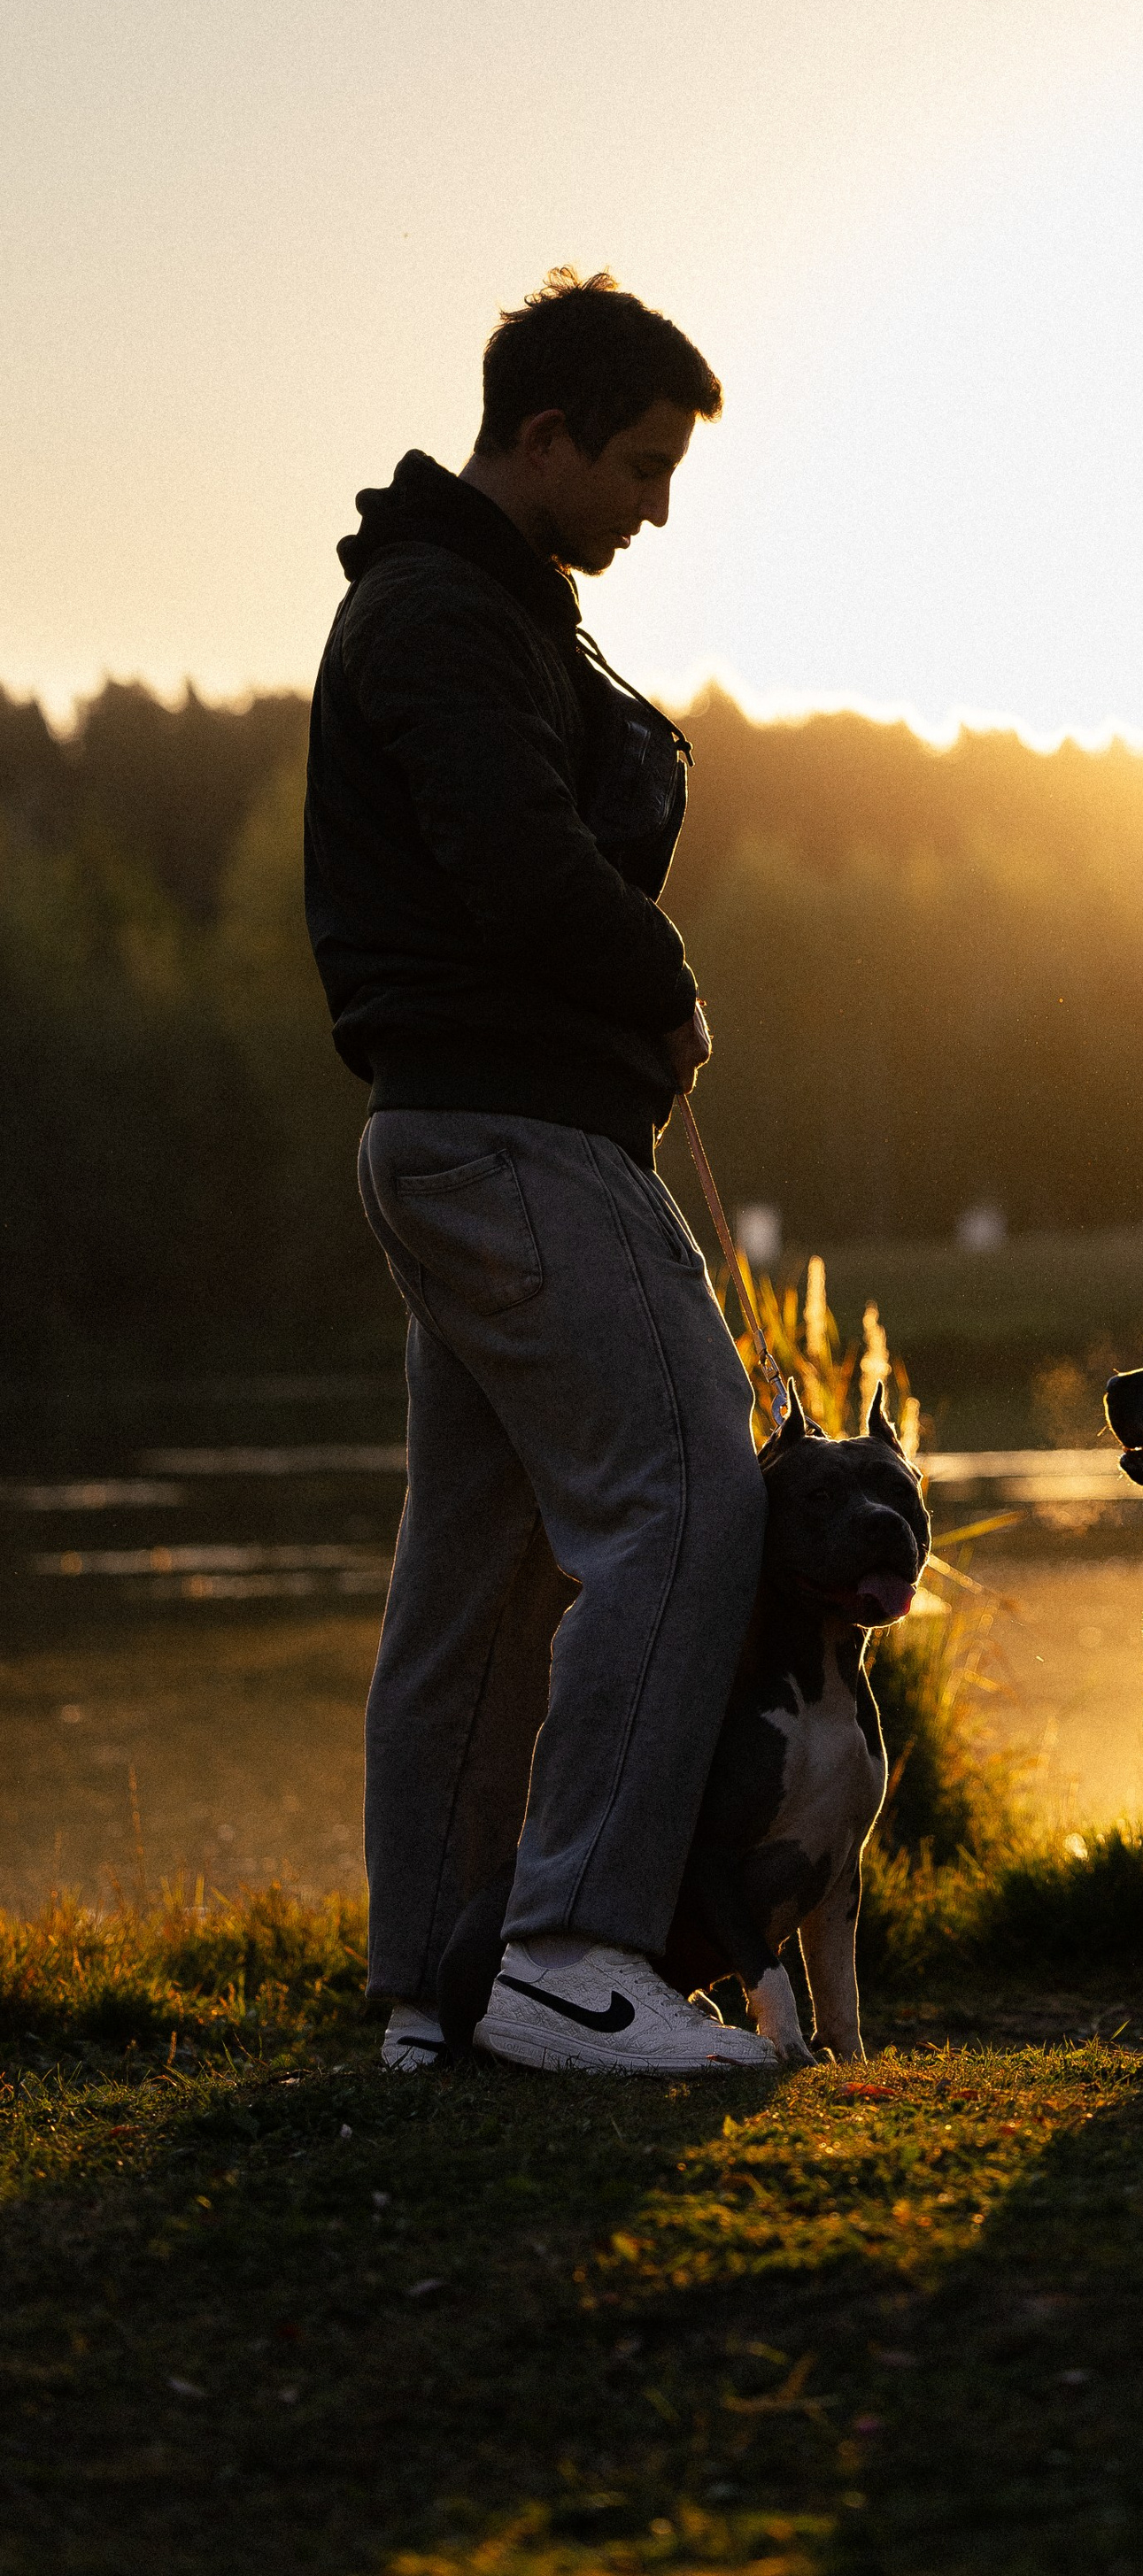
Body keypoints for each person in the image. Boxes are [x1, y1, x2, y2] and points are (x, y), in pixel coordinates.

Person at [305, 267, 776, 2078]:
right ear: (547, 431)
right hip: (512, 1135)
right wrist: (662, 986)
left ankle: (437, 1984)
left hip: (466, 1133)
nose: (657, 504)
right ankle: (576, 1951)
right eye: (644, 463)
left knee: (488, 1573)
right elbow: (512, 858)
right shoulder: (444, 613)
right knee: (685, 1494)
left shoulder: (486, 603)